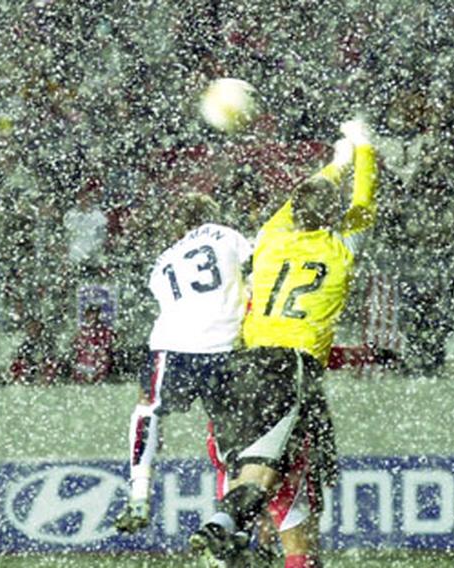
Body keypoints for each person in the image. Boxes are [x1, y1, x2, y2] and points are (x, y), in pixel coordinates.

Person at [190, 118, 377, 568]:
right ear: (332, 218)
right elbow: (364, 205)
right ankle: (230, 533)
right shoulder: (339, 250)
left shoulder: (272, 238)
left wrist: (336, 163)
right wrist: (363, 149)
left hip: (240, 364)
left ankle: (229, 535)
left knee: (241, 471)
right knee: (286, 490)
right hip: (289, 369)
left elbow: (306, 199)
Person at [113, 192, 253, 533]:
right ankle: (230, 523)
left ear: (180, 225)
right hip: (224, 346)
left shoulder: (165, 259)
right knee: (231, 441)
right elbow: (255, 270)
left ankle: (139, 490)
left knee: (148, 409)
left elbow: (169, 300)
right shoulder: (228, 235)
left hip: (172, 345)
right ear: (213, 216)